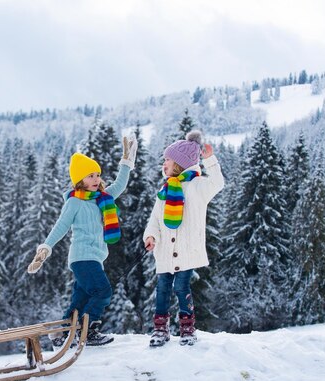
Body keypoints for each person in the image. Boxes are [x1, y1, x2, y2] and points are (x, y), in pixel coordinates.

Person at [28, 137, 138, 347]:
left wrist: (126, 161)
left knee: (80, 299)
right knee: (103, 291)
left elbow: (120, 185)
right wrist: (45, 248)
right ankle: (88, 330)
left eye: (97, 174)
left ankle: (62, 333)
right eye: (90, 175)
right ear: (80, 180)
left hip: (94, 258)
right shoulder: (75, 202)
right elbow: (61, 226)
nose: (96, 179)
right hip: (82, 257)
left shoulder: (101, 198)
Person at [143, 130, 224, 347]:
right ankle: (160, 329)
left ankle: (187, 328)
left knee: (181, 288)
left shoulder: (197, 187)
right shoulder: (165, 190)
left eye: (168, 159)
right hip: (165, 253)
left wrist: (209, 160)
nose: (164, 163)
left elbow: (217, 183)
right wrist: (151, 235)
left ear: (180, 163)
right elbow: (155, 218)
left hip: (186, 252)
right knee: (162, 289)